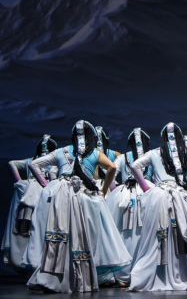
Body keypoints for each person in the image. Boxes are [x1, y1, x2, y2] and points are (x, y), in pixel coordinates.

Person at [24, 120, 131, 293]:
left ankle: (54, 275)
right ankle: (82, 278)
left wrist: (46, 185)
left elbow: (33, 164)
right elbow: (111, 167)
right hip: (85, 197)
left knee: (60, 235)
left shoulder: (62, 151)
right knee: (84, 238)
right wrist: (103, 190)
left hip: (61, 197)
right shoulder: (95, 153)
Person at [128, 122, 187, 291]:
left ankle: (160, 274)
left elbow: (134, 166)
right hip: (181, 198)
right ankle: (185, 274)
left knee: (158, 237)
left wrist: (146, 188)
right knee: (185, 236)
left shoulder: (154, 153)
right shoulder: (185, 152)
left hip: (159, 197)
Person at [105, 128, 154, 286]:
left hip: (125, 194)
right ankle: (143, 271)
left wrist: (115, 192)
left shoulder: (124, 157)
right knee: (145, 232)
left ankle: (123, 272)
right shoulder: (151, 156)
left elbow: (110, 172)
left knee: (124, 232)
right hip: (147, 191)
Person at [1, 135, 58, 270]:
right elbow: (12, 164)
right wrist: (20, 181)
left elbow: (12, 164)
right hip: (34, 196)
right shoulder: (32, 161)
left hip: (43, 196)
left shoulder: (50, 163)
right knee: (28, 229)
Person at [93, 126, 120, 195]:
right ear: (106, 140)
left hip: (97, 186)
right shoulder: (115, 154)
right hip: (110, 187)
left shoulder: (89, 156)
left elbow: (94, 177)